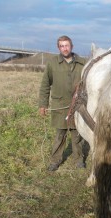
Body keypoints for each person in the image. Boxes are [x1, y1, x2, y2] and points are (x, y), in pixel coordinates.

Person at [38, 35, 86, 171]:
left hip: (78, 106)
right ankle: (55, 161)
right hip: (60, 105)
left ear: (72, 46)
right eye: (62, 46)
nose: (65, 48)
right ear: (58, 47)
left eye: (67, 45)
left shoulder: (82, 63)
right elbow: (45, 85)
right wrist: (43, 105)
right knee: (60, 135)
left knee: (77, 135)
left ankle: (79, 160)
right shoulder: (52, 63)